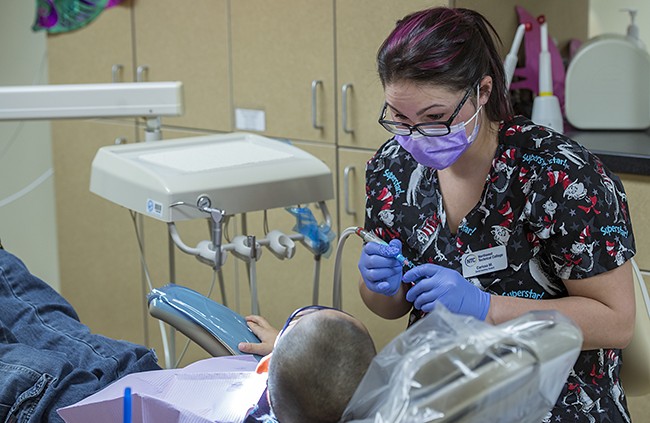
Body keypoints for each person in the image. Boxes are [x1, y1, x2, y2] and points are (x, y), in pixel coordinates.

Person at [357, 6, 636, 423]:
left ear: (482, 91)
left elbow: (617, 322)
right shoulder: (392, 169)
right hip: (440, 395)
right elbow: (389, 307)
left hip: (555, 398)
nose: (415, 136)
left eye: (435, 118)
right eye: (399, 117)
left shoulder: (557, 174)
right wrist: (379, 284)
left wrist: (486, 306)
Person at [0, 246, 375, 423]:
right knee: (45, 320)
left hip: (67, 407)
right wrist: (288, 349)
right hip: (137, 382)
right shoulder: (327, 407)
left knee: (34, 365)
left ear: (263, 370)